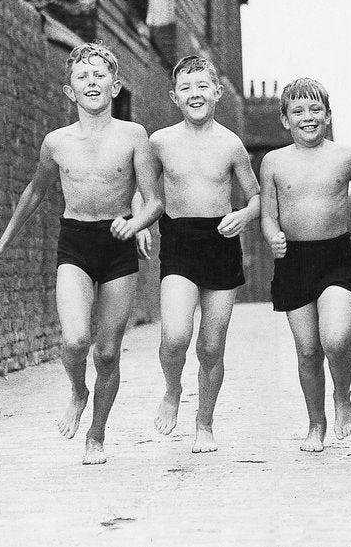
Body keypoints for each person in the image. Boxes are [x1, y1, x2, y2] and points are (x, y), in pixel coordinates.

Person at [0, 42, 162, 465]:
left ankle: (96, 436)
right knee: (76, 339)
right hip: (76, 243)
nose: (92, 82)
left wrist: (136, 225)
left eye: (100, 75)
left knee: (108, 351)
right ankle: (78, 390)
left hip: (117, 245)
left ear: (115, 86)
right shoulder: (56, 142)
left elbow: (154, 200)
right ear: (70, 91)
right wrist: (4, 240)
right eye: (83, 77)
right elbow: (35, 192)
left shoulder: (134, 136)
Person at [150, 55, 261, 453]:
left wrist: (244, 217)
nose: (195, 94)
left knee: (212, 346)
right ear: (174, 96)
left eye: (202, 87)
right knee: (175, 335)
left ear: (216, 92)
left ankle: (205, 423)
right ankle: (172, 388)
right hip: (179, 241)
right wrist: (140, 225)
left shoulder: (231, 144)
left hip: (220, 241)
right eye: (186, 88)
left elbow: (256, 197)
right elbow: (143, 189)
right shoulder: (160, 141)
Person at [260, 78, 351, 453]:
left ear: (328, 115)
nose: (307, 117)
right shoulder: (273, 162)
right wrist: (272, 234)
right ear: (285, 119)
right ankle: (316, 422)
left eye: (315, 110)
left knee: (336, 338)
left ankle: (342, 395)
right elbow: (267, 214)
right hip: (293, 261)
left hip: (335, 258)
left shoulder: (346, 157)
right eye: (298, 111)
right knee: (308, 350)